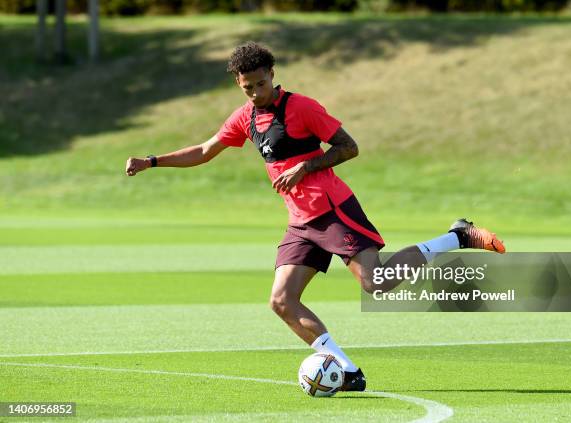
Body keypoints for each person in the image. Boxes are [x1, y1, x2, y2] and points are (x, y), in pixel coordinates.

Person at [125, 41, 505, 392]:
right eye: (248, 88)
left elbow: (348, 147)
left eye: (261, 84)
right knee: (281, 301)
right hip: (301, 222)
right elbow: (205, 150)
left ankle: (457, 236)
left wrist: (306, 167)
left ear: (273, 74)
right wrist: (153, 161)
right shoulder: (244, 117)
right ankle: (347, 370)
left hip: (332, 209)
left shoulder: (302, 107)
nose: (256, 93)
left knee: (376, 283)